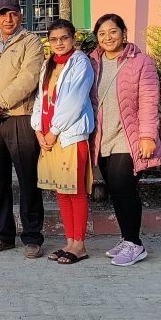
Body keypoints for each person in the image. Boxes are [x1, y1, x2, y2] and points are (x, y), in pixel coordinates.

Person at [0, 0, 47, 258]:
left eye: (13, 14)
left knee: (27, 180)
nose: (8, 19)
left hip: (19, 118)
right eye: (3, 15)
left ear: (20, 16)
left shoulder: (31, 42)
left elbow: (29, 78)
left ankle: (32, 237)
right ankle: (4, 235)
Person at [89, 13, 161, 266]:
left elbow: (149, 101)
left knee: (124, 187)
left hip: (129, 137)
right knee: (116, 190)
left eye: (113, 31)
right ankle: (126, 238)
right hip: (102, 137)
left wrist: (147, 136)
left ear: (123, 32)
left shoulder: (142, 62)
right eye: (101, 33)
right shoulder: (92, 62)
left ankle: (135, 244)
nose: (107, 37)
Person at [31, 19, 95, 265]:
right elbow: (41, 99)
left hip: (69, 136)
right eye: (54, 39)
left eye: (64, 38)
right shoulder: (49, 65)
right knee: (61, 191)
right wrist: (38, 129)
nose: (59, 43)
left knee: (75, 191)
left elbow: (74, 102)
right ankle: (69, 241)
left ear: (73, 39)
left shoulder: (80, 63)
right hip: (49, 137)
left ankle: (79, 244)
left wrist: (53, 131)